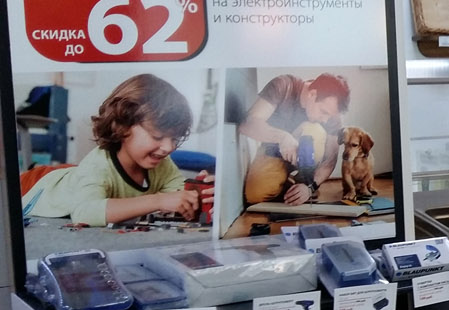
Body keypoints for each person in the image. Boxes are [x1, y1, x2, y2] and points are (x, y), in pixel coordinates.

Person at [21, 74, 211, 225]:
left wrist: (200, 192)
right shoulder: (97, 165)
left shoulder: (162, 164)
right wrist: (158, 200)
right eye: (157, 136)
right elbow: (84, 213)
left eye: (174, 139)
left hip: (76, 176)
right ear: (123, 127)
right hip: (38, 184)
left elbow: (178, 196)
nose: (169, 147)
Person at [239, 73, 349, 206]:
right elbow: (247, 124)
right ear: (312, 94)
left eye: (329, 116)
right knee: (255, 195)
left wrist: (310, 187)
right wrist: (282, 137)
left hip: (307, 161)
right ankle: (289, 184)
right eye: (323, 112)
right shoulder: (284, 86)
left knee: (314, 129)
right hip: (273, 150)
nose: (325, 120)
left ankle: (304, 182)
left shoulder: (332, 114)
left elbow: (329, 160)